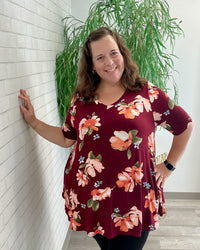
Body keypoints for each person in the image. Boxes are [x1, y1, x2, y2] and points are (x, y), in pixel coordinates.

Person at [19, 27, 194, 250]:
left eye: (113, 53)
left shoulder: (147, 94)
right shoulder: (81, 99)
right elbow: (66, 138)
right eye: (100, 57)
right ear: (91, 65)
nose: (109, 62)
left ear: (122, 54)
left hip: (134, 201)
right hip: (91, 198)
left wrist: (169, 165)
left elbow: (185, 125)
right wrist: (34, 121)